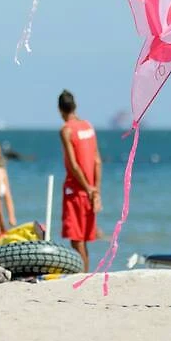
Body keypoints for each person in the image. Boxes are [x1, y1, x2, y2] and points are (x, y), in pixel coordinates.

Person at [59, 89, 102, 273]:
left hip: (76, 190)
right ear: (75, 106)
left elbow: (73, 165)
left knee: (76, 240)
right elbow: (97, 160)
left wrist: (88, 188)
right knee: (83, 239)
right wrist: (95, 191)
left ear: (60, 109)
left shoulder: (66, 130)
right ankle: (86, 273)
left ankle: (83, 275)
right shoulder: (88, 126)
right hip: (90, 190)